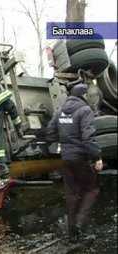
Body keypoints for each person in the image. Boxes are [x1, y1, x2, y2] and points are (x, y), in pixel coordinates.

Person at [44, 83, 103, 242]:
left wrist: (60, 146)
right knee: (92, 189)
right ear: (84, 96)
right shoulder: (85, 110)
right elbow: (88, 138)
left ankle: (72, 235)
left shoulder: (60, 111)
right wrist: (97, 157)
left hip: (66, 158)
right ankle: (79, 223)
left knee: (71, 194)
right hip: (80, 158)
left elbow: (49, 133)